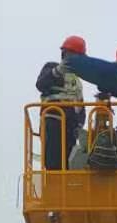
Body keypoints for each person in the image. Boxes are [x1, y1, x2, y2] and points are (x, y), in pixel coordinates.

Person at [36, 36, 87, 171]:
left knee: (69, 160)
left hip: (71, 126)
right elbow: (41, 84)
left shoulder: (77, 80)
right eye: (70, 55)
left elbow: (80, 105)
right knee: (54, 160)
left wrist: (80, 125)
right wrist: (57, 71)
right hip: (53, 119)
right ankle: (55, 185)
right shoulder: (51, 67)